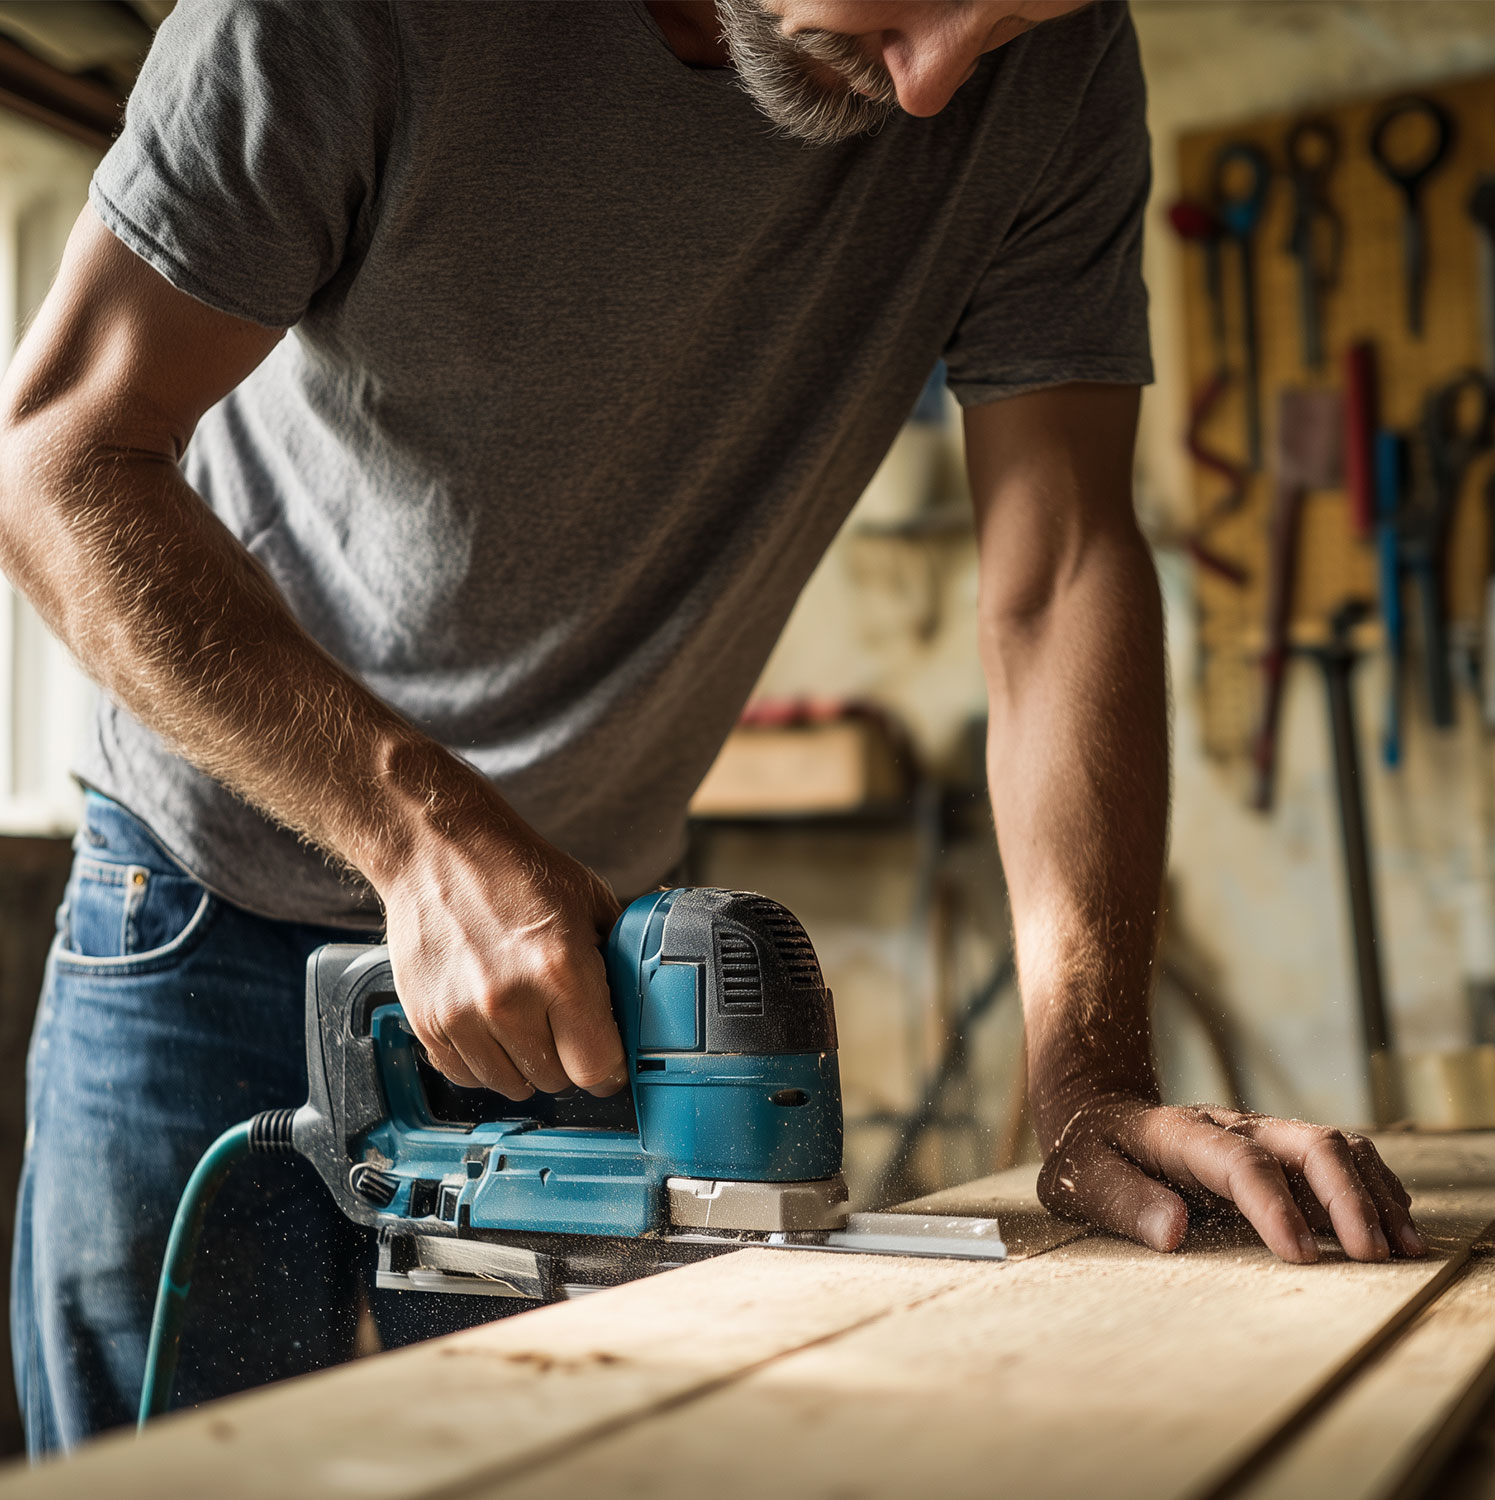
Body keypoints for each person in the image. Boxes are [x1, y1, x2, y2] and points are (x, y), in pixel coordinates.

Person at [0, 0, 1420, 1455]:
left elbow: (1057, 572)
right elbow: (57, 456)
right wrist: (420, 836)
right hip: (202, 894)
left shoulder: (1045, 62)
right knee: (165, 1476)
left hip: (594, 979)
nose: (936, 82)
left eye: (1008, 20)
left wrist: (1090, 1077)